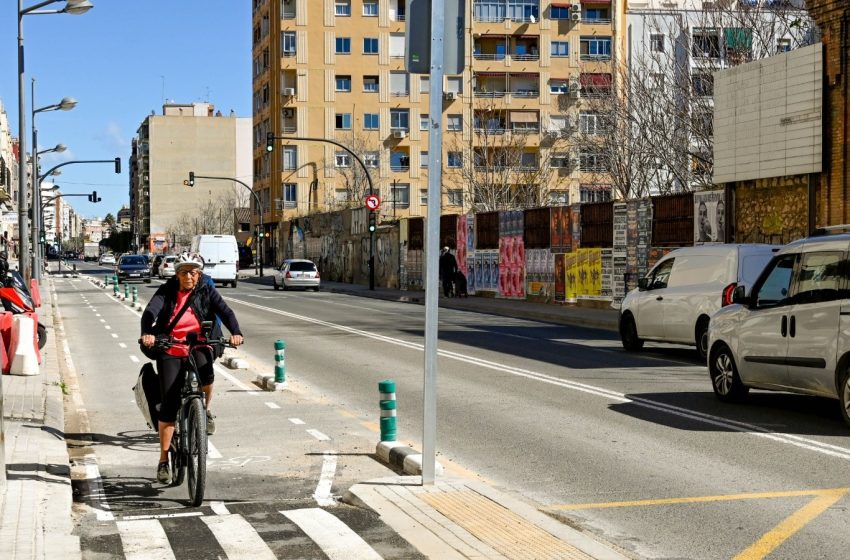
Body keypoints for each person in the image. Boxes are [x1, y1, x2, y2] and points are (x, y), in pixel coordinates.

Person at [140, 252, 243, 484]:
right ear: (177, 275)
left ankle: (203, 409)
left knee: (207, 372)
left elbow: (225, 312)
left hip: (198, 343)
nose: (189, 276)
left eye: (193, 272)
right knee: (169, 402)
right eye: (185, 272)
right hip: (171, 345)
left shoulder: (206, 291)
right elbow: (150, 313)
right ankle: (164, 460)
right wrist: (147, 333)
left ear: (199, 275)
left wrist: (236, 332)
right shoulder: (166, 291)